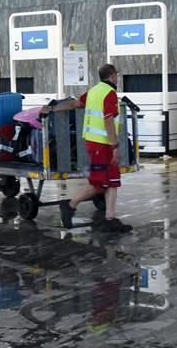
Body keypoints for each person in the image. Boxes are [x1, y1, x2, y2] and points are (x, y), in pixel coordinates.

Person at [41, 63, 132, 233]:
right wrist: (116, 146)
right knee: (99, 183)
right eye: (116, 76)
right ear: (112, 76)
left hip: (95, 142)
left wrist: (52, 108)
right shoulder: (109, 94)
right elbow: (108, 121)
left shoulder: (94, 91)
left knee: (112, 181)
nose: (117, 79)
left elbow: (74, 104)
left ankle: (110, 219)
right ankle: (70, 205)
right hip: (102, 144)